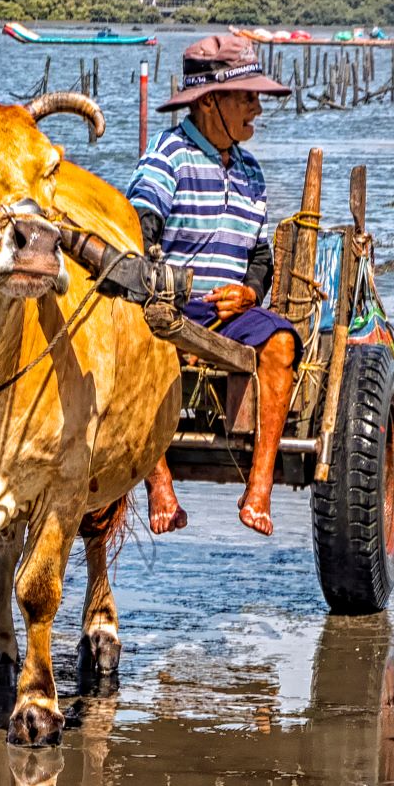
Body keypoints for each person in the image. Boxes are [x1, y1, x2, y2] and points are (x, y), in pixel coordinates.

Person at [124, 33, 302, 538]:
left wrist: (249, 292)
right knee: (145, 339)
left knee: (283, 342)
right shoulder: (168, 154)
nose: (256, 109)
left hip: (234, 312)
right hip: (173, 306)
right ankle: (160, 484)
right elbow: (143, 225)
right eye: (246, 97)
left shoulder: (251, 172)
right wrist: (160, 291)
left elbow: (261, 256)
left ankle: (260, 487)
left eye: (256, 97)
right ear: (208, 103)